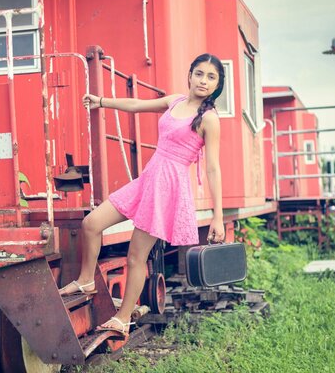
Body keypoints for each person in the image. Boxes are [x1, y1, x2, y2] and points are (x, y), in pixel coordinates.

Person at [59, 53, 226, 336]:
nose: (203, 81)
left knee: (136, 256)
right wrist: (102, 101)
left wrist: (217, 217)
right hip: (149, 178)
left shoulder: (209, 119)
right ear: (189, 75)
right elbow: (136, 105)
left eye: (211, 77)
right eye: (199, 73)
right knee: (91, 224)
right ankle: (86, 279)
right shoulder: (174, 101)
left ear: (217, 84)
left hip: (168, 187)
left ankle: (122, 319)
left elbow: (213, 168)